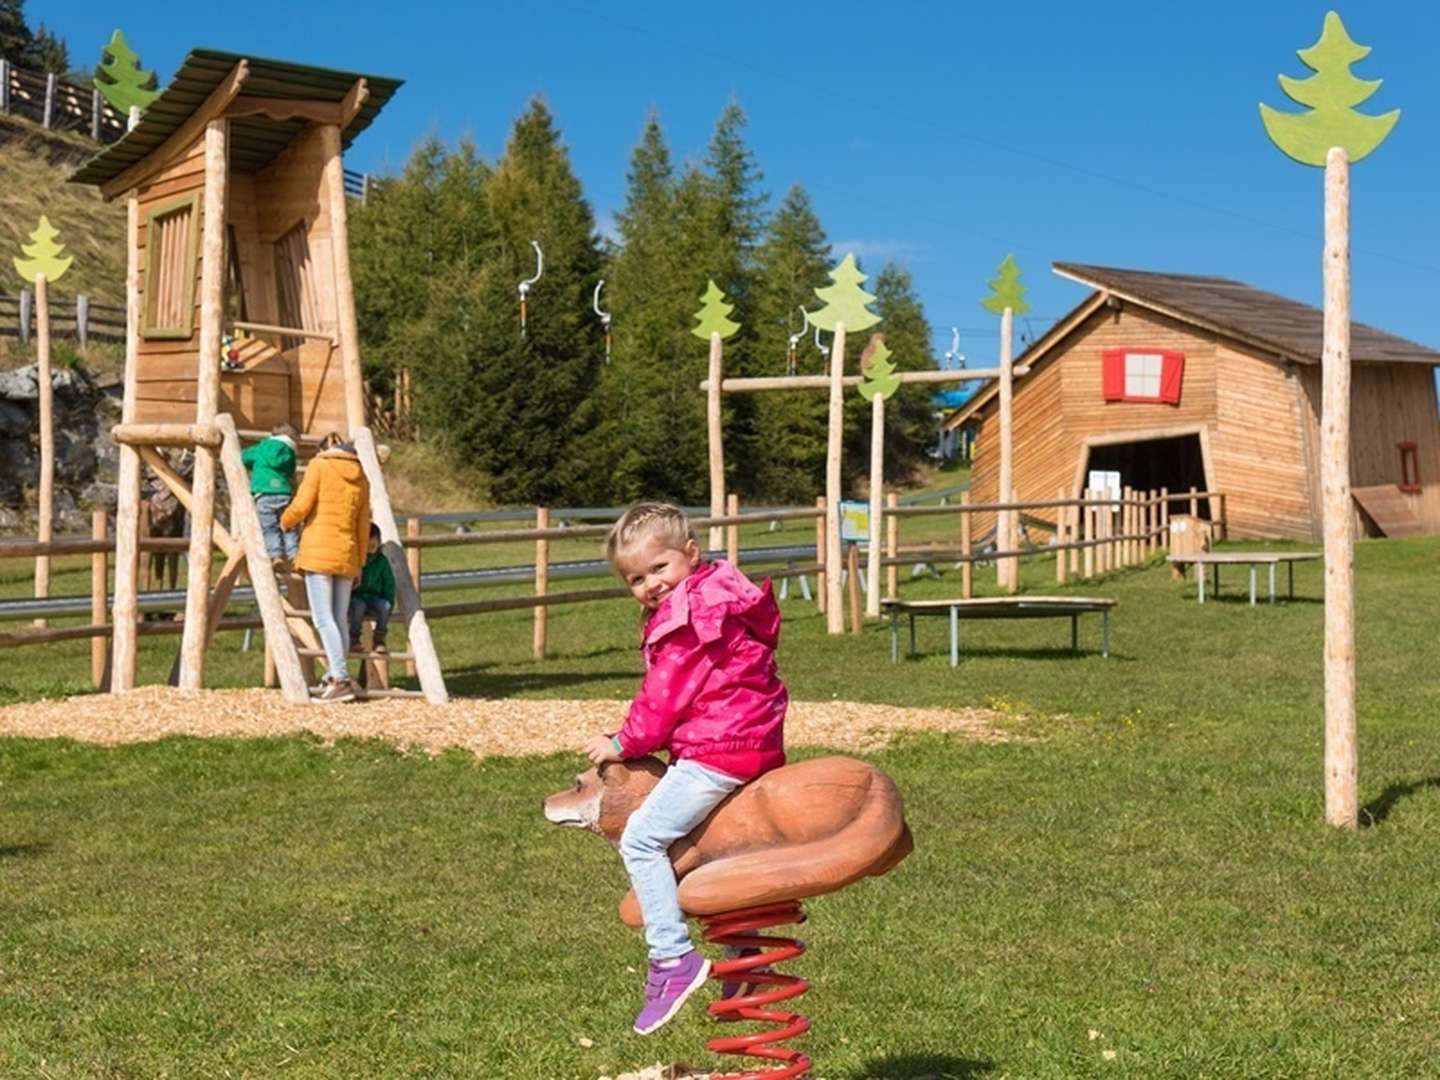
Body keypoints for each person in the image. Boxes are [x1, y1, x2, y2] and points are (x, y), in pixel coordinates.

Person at [582, 502, 788, 1036]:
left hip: (718, 747)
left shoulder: (686, 618)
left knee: (644, 841)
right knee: (710, 843)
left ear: (691, 555)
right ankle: (747, 950)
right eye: (635, 578)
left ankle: (672, 959)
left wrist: (622, 742)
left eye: (660, 568)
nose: (650, 585)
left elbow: (663, 698)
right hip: (753, 738)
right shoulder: (718, 594)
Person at [280, 432, 370, 704]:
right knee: (339, 618)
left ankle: (340, 678)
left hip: (319, 551)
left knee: (322, 618)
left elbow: (303, 504)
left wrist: (284, 520)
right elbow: (363, 524)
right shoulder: (361, 474)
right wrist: (360, 562)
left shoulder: (320, 465)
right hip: (347, 553)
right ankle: (335, 675)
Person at [241, 423, 299, 572]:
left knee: (269, 528)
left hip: (264, 494)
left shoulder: (261, 448)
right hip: (283, 493)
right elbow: (290, 472)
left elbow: (244, 457)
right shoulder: (289, 453)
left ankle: (276, 555)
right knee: (289, 525)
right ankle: (293, 553)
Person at [348, 524, 395, 653]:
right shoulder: (356, 560)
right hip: (356, 597)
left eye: (373, 546)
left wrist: (389, 601)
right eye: (366, 547)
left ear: (379, 543)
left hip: (374, 597)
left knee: (384, 606)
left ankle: (379, 639)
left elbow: (389, 582)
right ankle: (354, 639)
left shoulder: (382, 561)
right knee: (358, 607)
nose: (369, 550)